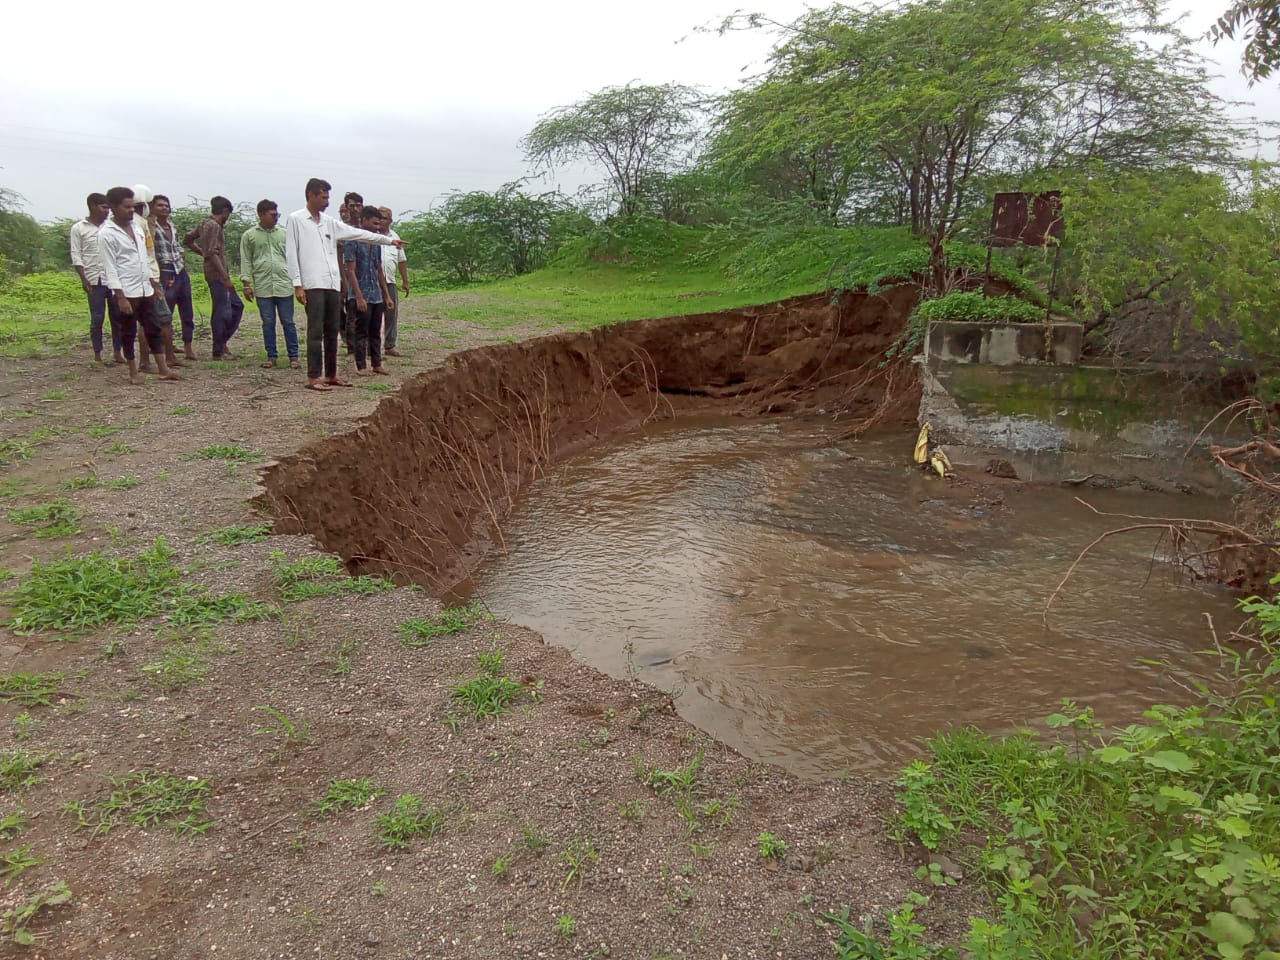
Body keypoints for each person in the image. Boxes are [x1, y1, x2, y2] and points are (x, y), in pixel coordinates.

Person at [284, 178, 403, 391]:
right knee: (315, 332)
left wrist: (388, 240)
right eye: (323, 197)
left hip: (332, 283)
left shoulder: (329, 222)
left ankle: (331, 375)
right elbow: (291, 253)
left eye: (328, 197)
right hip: (313, 283)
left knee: (332, 330)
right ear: (310, 195)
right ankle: (313, 377)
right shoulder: (296, 219)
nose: (327, 201)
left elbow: (359, 233)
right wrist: (297, 284)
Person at [97, 186, 181, 385]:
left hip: (145, 286)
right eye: (126, 207)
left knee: (153, 327)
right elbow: (109, 267)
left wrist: (153, 282)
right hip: (126, 289)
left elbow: (144, 257)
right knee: (128, 331)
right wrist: (120, 296)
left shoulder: (136, 226)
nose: (131, 210)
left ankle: (163, 368)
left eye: (133, 206)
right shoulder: (106, 234)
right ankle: (133, 371)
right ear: (114, 207)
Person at [128, 184, 184, 373]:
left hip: (149, 275)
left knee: (153, 319)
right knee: (155, 319)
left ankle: (159, 360)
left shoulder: (140, 222)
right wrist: (152, 279)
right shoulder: (139, 224)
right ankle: (149, 361)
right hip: (149, 277)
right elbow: (146, 254)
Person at [240, 199, 299, 368]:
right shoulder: (249, 235)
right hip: (263, 285)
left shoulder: (284, 233)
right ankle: (271, 356)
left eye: (277, 214)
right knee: (268, 322)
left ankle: (293, 356)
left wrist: (297, 282)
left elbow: (293, 258)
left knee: (288, 322)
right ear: (261, 214)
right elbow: (246, 260)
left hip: (283, 284)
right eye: (272, 215)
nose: (276, 218)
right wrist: (246, 283)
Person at [184, 196, 243, 360]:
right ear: (225, 211)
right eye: (228, 214)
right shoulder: (214, 225)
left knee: (234, 306)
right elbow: (212, 253)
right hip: (217, 275)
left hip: (213, 273)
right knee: (222, 311)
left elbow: (188, 239)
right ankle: (218, 350)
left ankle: (221, 344)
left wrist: (200, 252)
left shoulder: (204, 224)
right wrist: (224, 276)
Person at [68, 193, 123, 364]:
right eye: (104, 207)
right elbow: (76, 254)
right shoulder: (79, 228)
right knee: (97, 317)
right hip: (94, 279)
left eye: (108, 207)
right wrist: (84, 279)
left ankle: (117, 352)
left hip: (113, 279)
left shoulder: (111, 227)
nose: (107, 211)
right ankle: (97, 353)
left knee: (117, 317)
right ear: (93, 206)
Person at [343, 205, 392, 376]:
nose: (377, 227)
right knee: (361, 331)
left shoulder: (376, 242)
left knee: (376, 331)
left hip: (376, 294)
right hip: (361, 293)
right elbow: (350, 271)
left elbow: (378, 269)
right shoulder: (352, 241)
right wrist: (358, 296)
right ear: (363, 221)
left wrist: (386, 295)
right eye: (374, 223)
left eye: (379, 224)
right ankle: (361, 365)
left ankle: (377, 363)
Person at [151, 194, 198, 360]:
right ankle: (164, 346)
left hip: (179, 270)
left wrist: (181, 254)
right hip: (164, 271)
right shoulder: (151, 227)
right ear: (152, 207)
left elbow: (177, 245)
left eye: (166, 205)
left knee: (187, 310)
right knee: (166, 311)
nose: (164, 208)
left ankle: (188, 347)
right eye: (160, 205)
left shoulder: (172, 225)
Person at [377, 206, 409, 357]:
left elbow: (402, 260)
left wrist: (405, 281)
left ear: (390, 220)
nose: (380, 221)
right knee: (373, 314)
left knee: (391, 313)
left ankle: (389, 345)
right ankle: (372, 347)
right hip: (373, 281)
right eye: (379, 217)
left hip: (390, 280)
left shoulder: (395, 236)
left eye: (384, 218)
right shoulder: (371, 235)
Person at [337, 190, 363, 354]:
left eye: (357, 205)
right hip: (344, 274)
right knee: (346, 310)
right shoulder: (340, 229)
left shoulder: (366, 226)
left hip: (364, 276)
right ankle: (350, 344)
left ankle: (363, 346)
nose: (354, 209)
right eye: (350, 206)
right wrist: (342, 277)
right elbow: (338, 255)